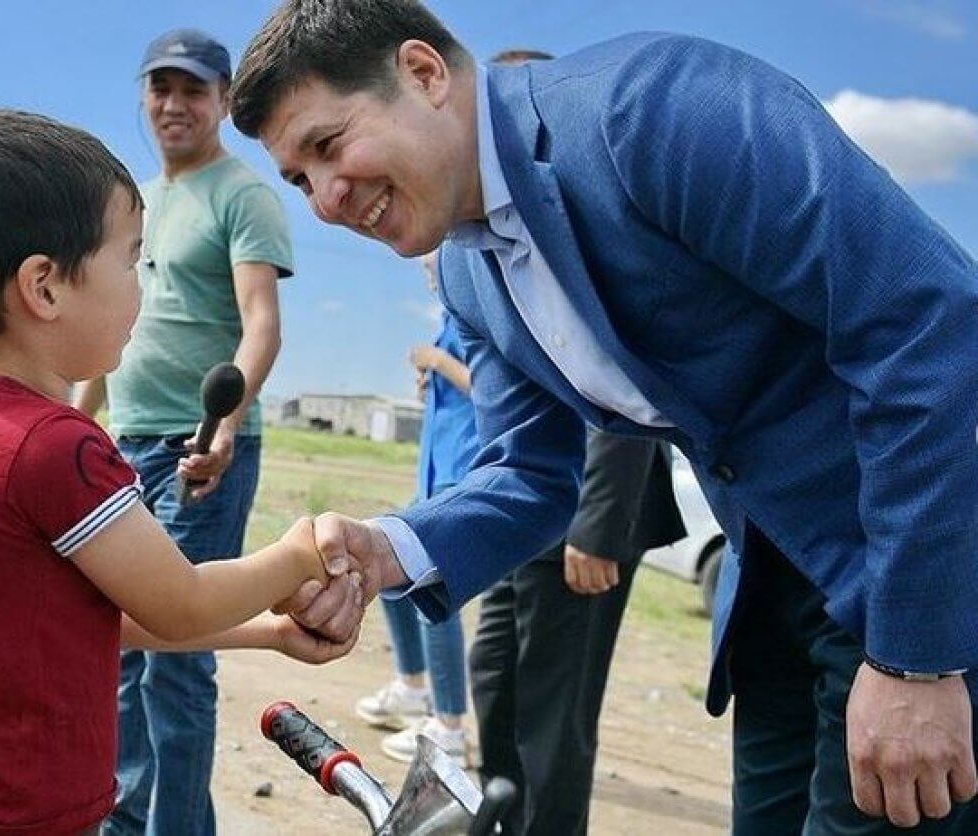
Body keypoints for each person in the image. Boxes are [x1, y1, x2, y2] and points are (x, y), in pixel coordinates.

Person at [229, 2, 978, 833]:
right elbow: (529, 476)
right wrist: (388, 550)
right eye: (298, 179)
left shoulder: (652, 112)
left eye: (330, 146)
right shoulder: (472, 278)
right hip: (770, 596)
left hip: (922, 566)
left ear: (424, 73)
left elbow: (923, 323)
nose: (327, 200)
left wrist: (916, 659)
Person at [0, 109, 359, 835]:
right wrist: (297, 554)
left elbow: (100, 617)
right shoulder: (55, 446)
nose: (140, 290)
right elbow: (181, 602)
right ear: (44, 288)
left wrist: (265, 630)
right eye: (131, 261)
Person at [73, 30, 293, 836]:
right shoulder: (136, 201)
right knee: (118, 644)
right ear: (143, 96)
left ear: (224, 101)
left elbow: (262, 325)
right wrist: (75, 422)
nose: (174, 104)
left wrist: (228, 424)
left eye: (193, 90)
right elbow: (114, 331)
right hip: (125, 446)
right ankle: (120, 821)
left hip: (200, 448)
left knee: (177, 650)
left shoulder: (243, 194)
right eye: (160, 87)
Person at [470, 426, 684, 835]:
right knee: (494, 679)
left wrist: (600, 521)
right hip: (523, 500)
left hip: (584, 504)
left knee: (553, 717)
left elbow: (622, 383)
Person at [355, 249, 476, 765]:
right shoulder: (451, 321)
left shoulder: (477, 316)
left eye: (433, 266)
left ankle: (449, 725)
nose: (429, 276)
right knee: (388, 560)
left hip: (464, 475)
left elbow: (493, 389)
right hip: (435, 476)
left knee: (432, 586)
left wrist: (438, 362)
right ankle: (412, 686)